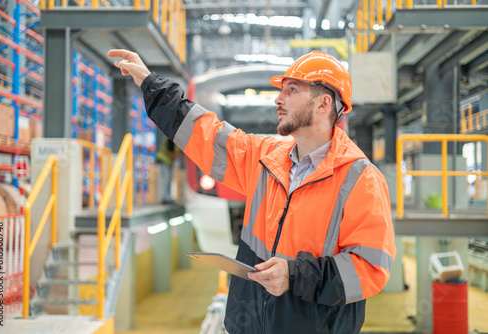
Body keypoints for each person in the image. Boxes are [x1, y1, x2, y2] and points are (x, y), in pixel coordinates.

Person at [108, 49, 396, 334]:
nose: (278, 100)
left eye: (292, 90)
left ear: (323, 104)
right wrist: (150, 83)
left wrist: (295, 275)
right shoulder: (267, 157)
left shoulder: (360, 179)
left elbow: (370, 268)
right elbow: (205, 134)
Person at [156, 135, 181, 204]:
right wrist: (179, 159)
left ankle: (168, 197)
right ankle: (165, 198)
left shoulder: (173, 137)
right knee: (166, 179)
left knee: (169, 179)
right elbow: (171, 153)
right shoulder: (171, 138)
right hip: (163, 160)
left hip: (168, 162)